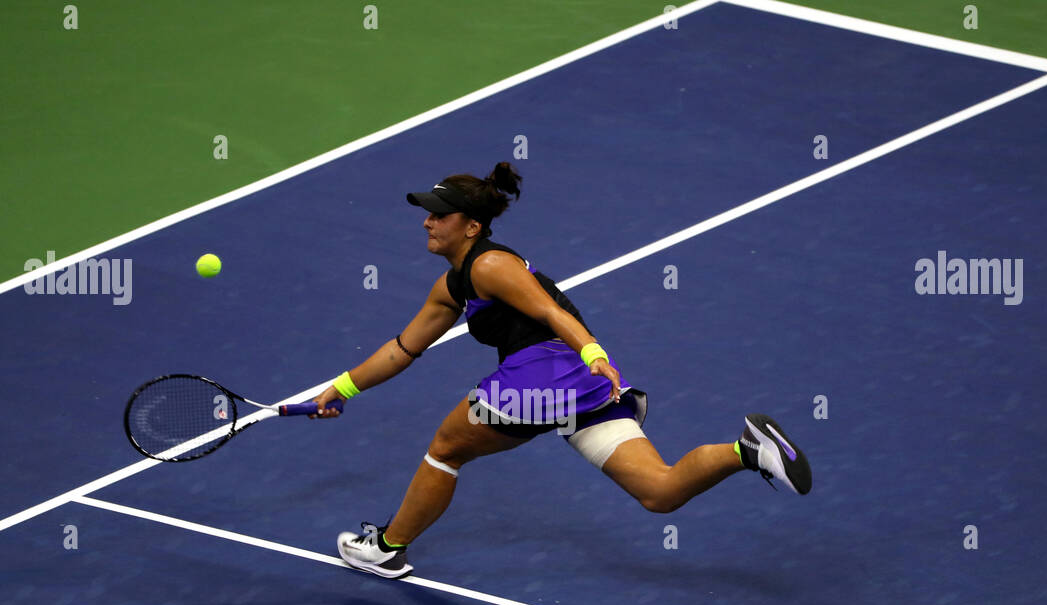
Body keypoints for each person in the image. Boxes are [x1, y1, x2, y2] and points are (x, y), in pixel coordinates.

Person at [309, 162, 811, 579]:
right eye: (427, 213)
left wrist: (591, 349)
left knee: (445, 449)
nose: (427, 222)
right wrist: (343, 388)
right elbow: (402, 348)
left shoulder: (489, 266)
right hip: (585, 388)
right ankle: (748, 451)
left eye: (440, 214)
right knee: (659, 492)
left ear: (471, 226)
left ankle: (387, 547)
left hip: (544, 380)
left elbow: (552, 313)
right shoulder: (453, 286)